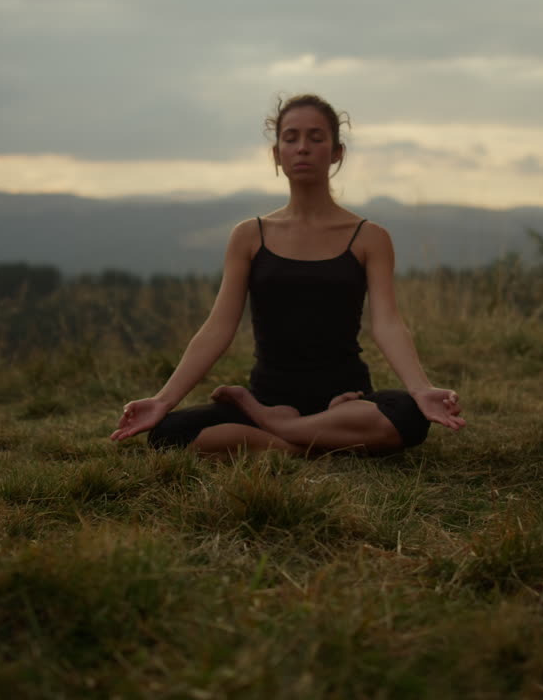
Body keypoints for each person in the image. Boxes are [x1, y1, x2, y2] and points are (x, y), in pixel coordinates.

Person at [109, 94, 464, 455]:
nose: (303, 148)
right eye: (291, 138)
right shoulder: (249, 236)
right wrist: (163, 400)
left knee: (408, 415)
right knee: (169, 434)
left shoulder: (370, 238)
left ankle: (280, 431)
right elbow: (219, 327)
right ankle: (310, 439)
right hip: (272, 395)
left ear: (337, 152)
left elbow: (387, 323)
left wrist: (420, 389)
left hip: (344, 399)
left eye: (316, 137)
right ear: (277, 155)